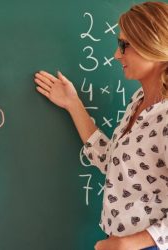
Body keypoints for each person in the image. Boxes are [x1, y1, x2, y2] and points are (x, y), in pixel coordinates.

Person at [34, 2, 168, 250]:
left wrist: (130, 244)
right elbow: (113, 162)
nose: (117, 55)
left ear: (151, 44)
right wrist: (73, 104)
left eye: (124, 45)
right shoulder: (139, 101)